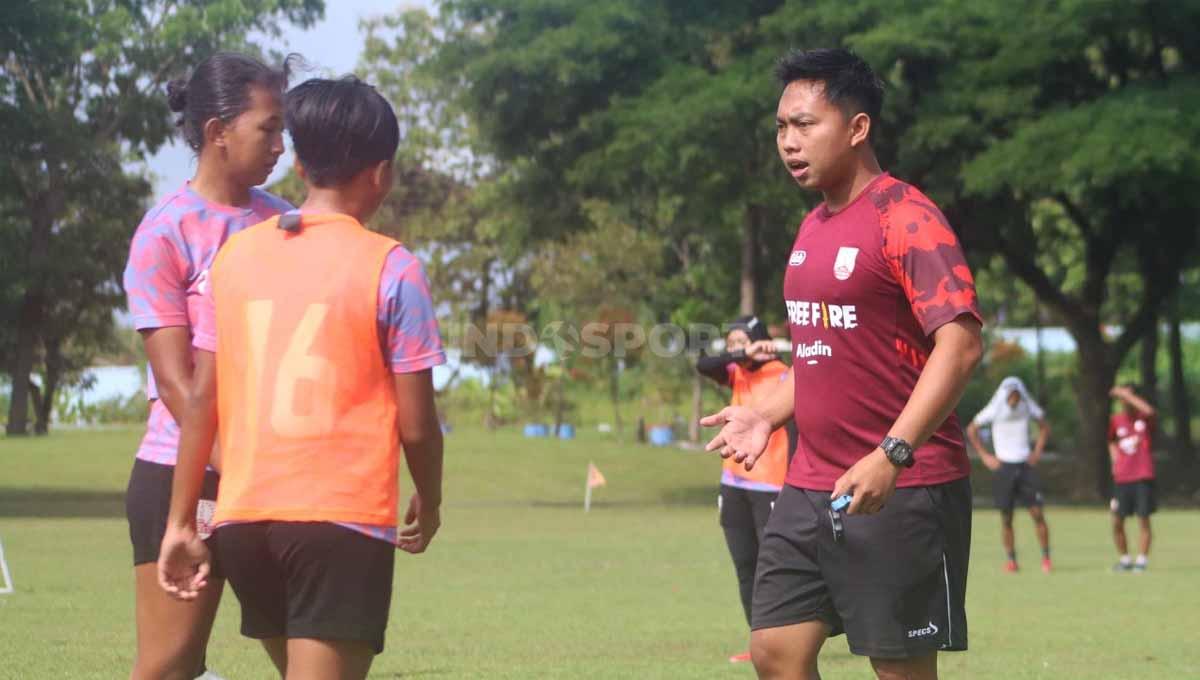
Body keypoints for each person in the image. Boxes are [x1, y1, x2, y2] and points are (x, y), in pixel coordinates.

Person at [701, 47, 983, 680]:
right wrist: (764, 415)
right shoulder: (813, 228)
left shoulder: (906, 218)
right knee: (776, 652)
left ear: (857, 128)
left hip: (901, 484)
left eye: (805, 125)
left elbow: (961, 345)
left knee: (899, 669)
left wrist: (892, 454)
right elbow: (823, 353)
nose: (788, 142)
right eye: (781, 126)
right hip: (810, 484)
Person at [156, 76, 446, 679]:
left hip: (244, 522)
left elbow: (203, 399)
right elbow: (418, 425)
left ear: (299, 163)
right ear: (382, 173)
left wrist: (181, 520)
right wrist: (431, 497)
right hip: (338, 521)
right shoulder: (393, 268)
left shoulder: (234, 258)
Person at [121, 52, 292, 680]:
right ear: (218, 131)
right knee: (170, 666)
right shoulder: (164, 233)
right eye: (267, 129)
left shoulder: (285, 224)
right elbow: (176, 384)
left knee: (312, 663)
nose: (281, 145)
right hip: (184, 476)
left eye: (282, 130)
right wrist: (234, 465)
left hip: (276, 480)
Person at [695, 315, 795, 663]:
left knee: (773, 570)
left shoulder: (783, 374)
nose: (735, 348)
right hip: (733, 486)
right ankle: (759, 646)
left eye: (741, 341)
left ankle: (787, 641)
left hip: (771, 485)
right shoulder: (736, 371)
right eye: (731, 343)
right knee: (745, 567)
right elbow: (704, 364)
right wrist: (741, 354)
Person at [966, 377, 1052, 573]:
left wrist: (1037, 452)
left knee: (1037, 513)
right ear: (1005, 395)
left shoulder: (1027, 406)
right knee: (1006, 517)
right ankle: (1011, 560)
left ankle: (1046, 557)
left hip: (1025, 466)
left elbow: (1044, 427)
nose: (1014, 399)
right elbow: (972, 429)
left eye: (1017, 395)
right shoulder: (995, 408)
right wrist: (985, 456)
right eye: (1011, 395)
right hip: (1004, 467)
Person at [1108, 384, 1157, 572]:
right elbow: (1111, 441)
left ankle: (1142, 561)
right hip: (1122, 478)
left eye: (1128, 396)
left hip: (1142, 475)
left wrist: (1125, 394)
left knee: (1143, 519)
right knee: (1117, 520)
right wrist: (1115, 461)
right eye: (1122, 398)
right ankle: (1125, 560)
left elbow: (1150, 410)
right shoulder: (1116, 420)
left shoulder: (1144, 418)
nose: (1123, 400)